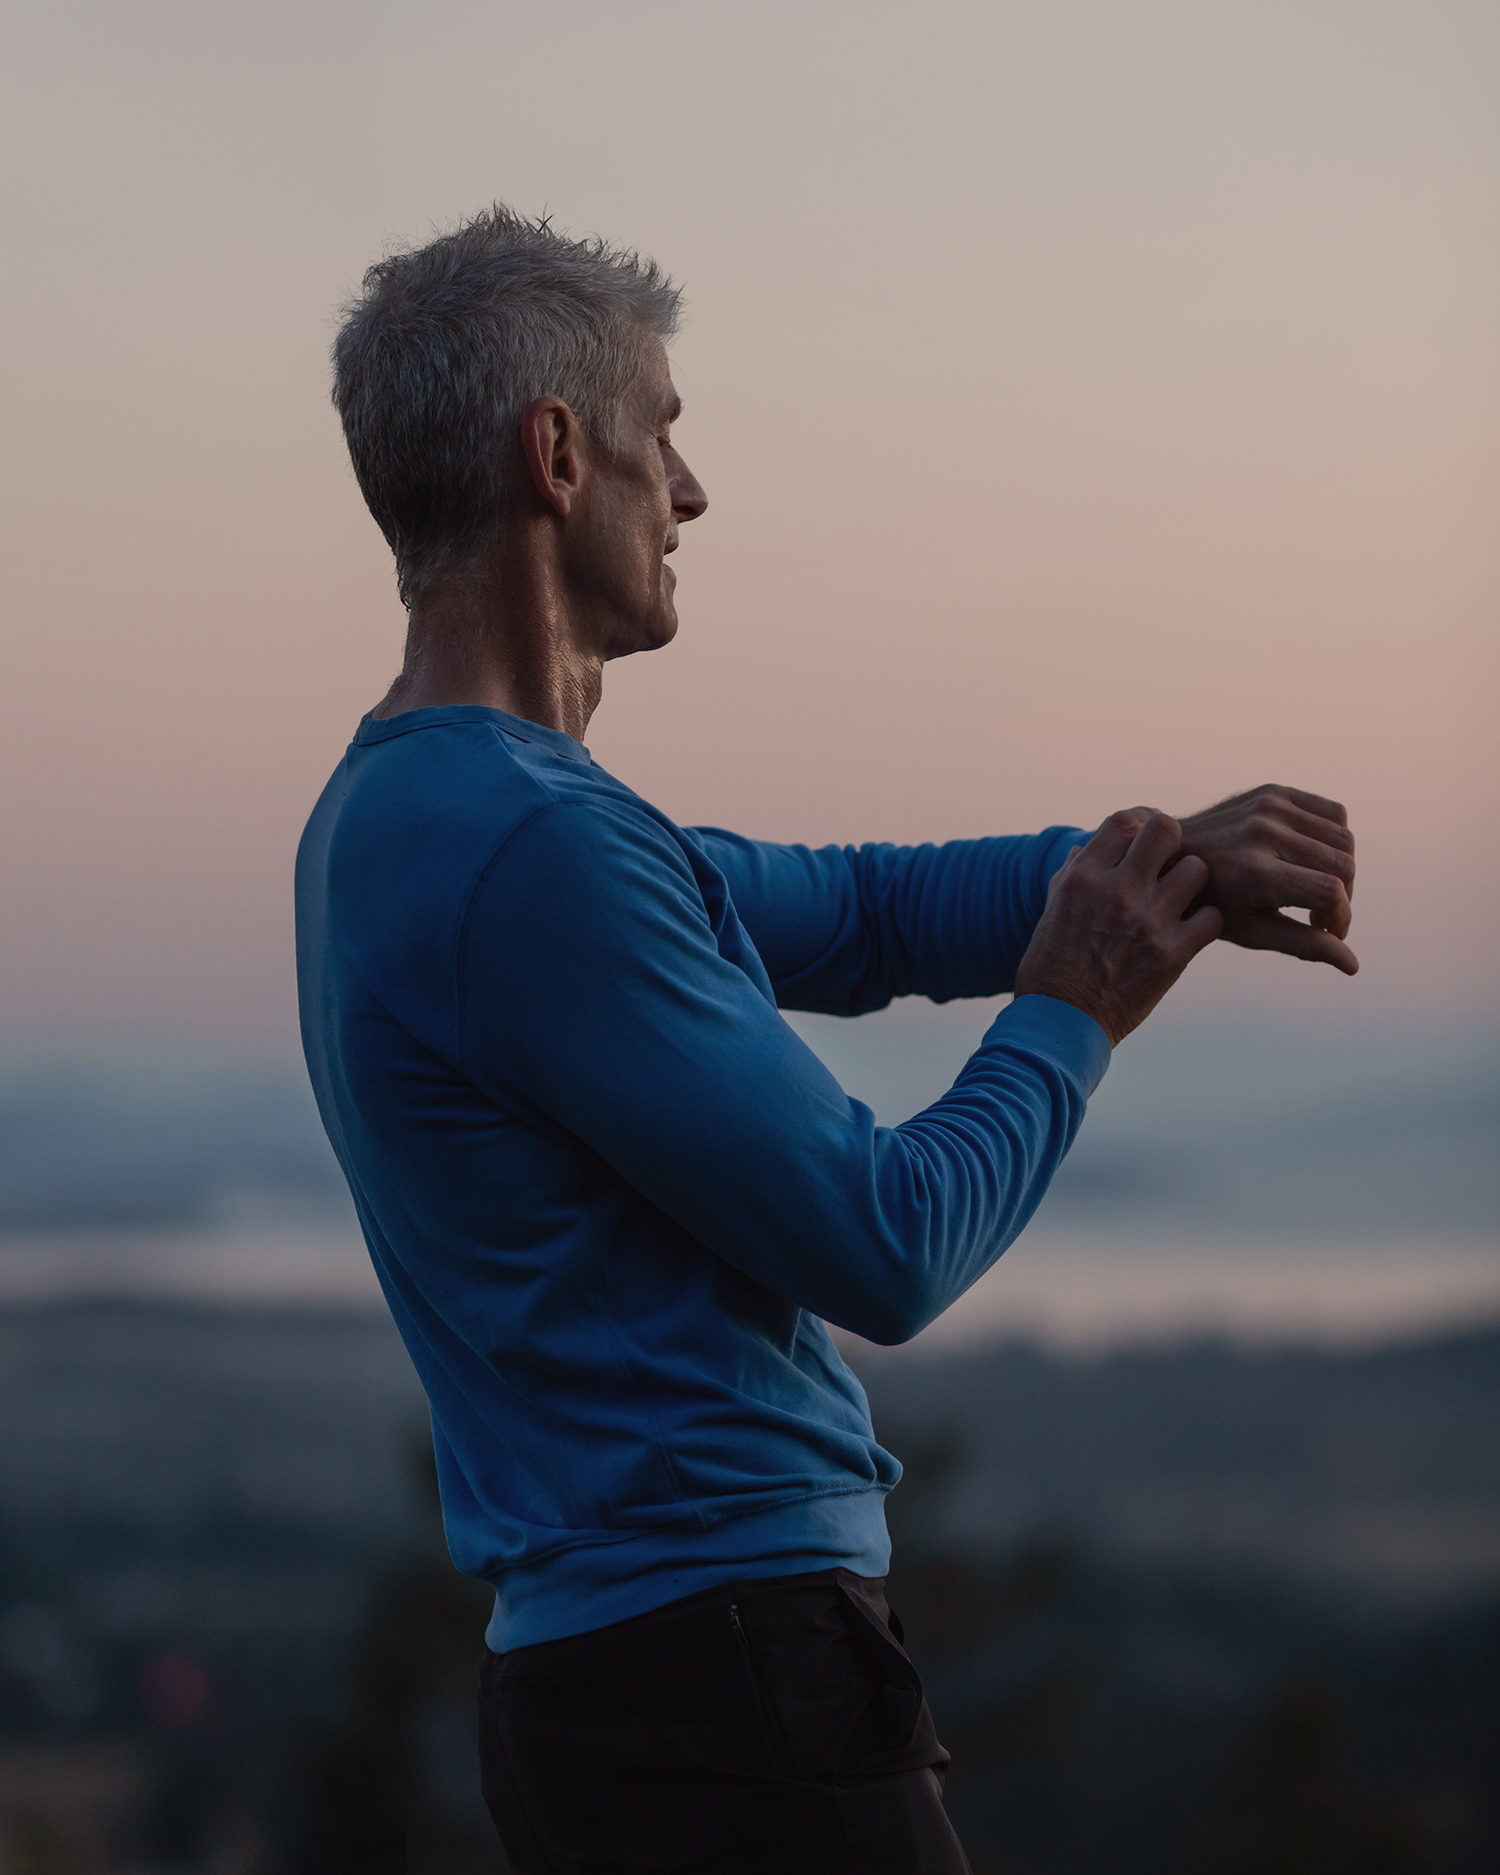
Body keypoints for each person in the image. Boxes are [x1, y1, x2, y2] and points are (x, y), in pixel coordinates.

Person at [296, 206, 1357, 1874]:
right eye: (661, 437)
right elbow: (886, 1241)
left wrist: (1160, 863)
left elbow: (861, 910)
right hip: (725, 1693)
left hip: (620, 1685)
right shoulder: (533, 849)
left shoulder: (414, 815)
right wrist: (1076, 1009)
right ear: (556, 458)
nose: (691, 492)